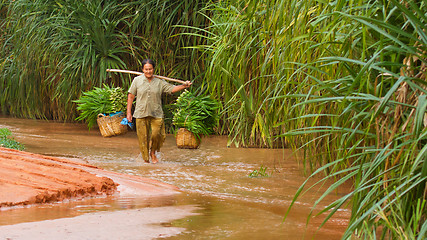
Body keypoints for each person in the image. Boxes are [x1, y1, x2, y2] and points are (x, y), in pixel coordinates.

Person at [126, 59, 192, 164]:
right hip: (141, 113)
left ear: (153, 69)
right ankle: (146, 161)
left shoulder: (159, 82)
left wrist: (184, 85)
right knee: (143, 138)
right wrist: (129, 113)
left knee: (157, 135)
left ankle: (153, 152)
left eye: (150, 69)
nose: (148, 71)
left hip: (156, 113)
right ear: (143, 69)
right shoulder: (137, 80)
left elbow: (172, 89)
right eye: (146, 69)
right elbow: (131, 96)